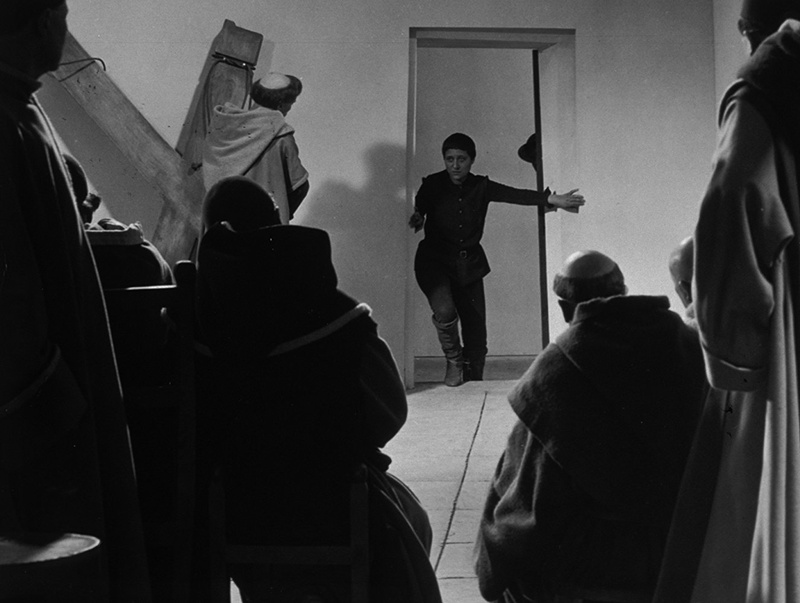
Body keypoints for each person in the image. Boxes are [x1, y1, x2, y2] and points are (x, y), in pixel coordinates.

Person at [196, 176, 441, 602]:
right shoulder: (335, 315)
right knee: (412, 523)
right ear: (278, 221)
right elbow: (388, 413)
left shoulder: (194, 321)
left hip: (231, 511)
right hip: (333, 507)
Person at [0, 1, 151, 600]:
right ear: (43, 21)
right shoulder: (6, 119)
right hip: (33, 421)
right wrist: (57, 412)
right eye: (63, 15)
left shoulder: (20, 107)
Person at [659, 1, 800, 600]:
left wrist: (727, 349)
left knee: (759, 500)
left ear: (753, 29)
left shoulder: (770, 80)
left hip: (786, 330)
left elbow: (731, 203)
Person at [474, 250, 705, 603]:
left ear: (565, 308)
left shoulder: (556, 368)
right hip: (685, 541)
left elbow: (532, 491)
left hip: (604, 560)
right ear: (623, 290)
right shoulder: (685, 341)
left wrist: (497, 550)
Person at [409, 132, 585, 386]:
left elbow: (513, 194)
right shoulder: (432, 184)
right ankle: (454, 360)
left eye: (461, 159)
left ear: (472, 160)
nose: (455, 165)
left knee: (476, 331)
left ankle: (474, 379)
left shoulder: (481, 186)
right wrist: (417, 217)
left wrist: (550, 198)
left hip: (468, 265)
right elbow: (418, 208)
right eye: (449, 159)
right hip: (433, 263)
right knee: (445, 311)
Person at [202, 72, 309, 224]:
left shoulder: (224, 125)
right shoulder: (281, 137)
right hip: (258, 221)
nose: (289, 108)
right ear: (280, 104)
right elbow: (300, 186)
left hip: (218, 218)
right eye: (290, 103)